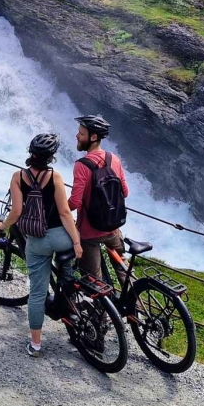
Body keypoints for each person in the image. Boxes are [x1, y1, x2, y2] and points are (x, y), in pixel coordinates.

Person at [0, 133, 82, 358]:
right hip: (61, 239)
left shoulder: (18, 177)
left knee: (37, 293)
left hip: (37, 241)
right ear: (51, 157)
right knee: (66, 272)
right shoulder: (55, 176)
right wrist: (76, 242)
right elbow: (64, 212)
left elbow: (16, 211)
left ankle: (36, 345)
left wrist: (3, 224)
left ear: (31, 152)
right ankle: (68, 301)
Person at [67, 114, 129, 284]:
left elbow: (75, 202)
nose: (77, 136)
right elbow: (125, 192)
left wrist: (58, 209)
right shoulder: (114, 159)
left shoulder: (82, 165)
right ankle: (134, 299)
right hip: (113, 228)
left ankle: (98, 300)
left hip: (90, 233)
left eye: (81, 133)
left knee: (93, 280)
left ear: (93, 137)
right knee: (123, 268)